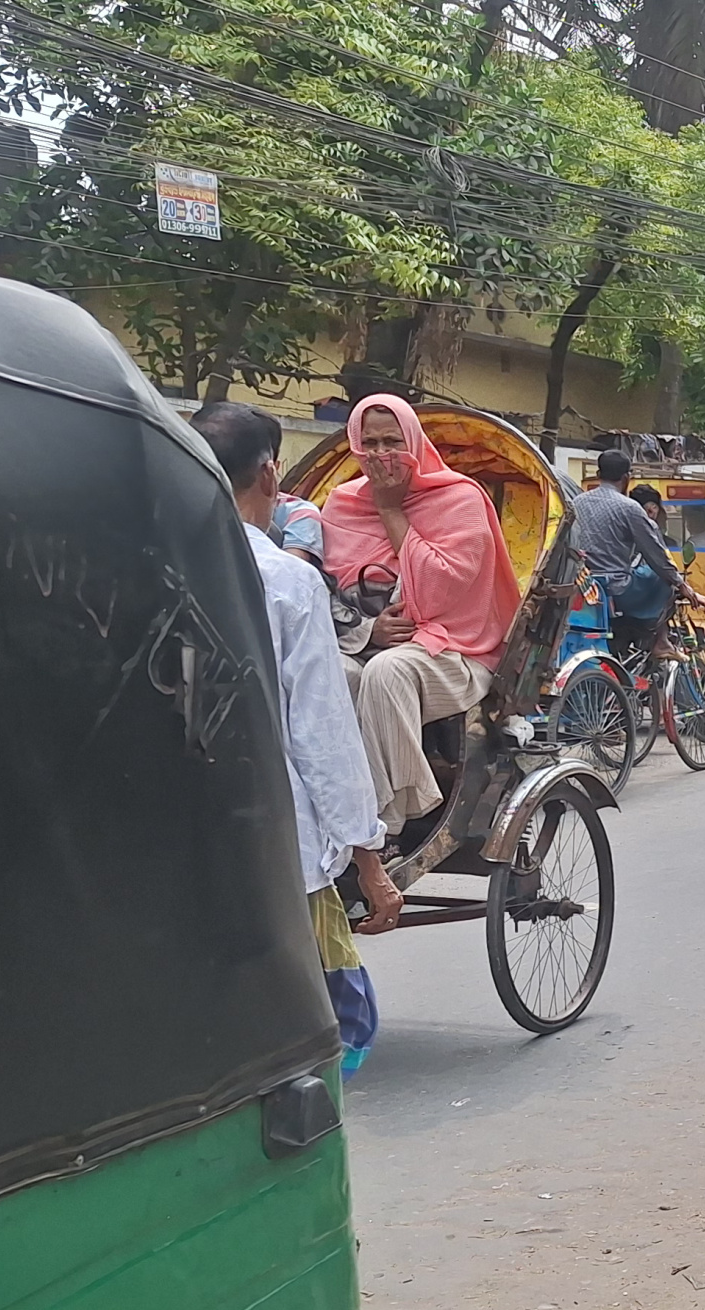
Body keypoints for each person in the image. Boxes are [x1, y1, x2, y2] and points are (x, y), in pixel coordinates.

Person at [189, 399, 400, 1073]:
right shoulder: (286, 579)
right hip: (278, 839)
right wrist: (369, 861)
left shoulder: (150, 564)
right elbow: (321, 729)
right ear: (270, 476)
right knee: (338, 1026)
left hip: (181, 841)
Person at [321, 394, 521, 826]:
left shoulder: (460, 499)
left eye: (392, 441)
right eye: (369, 443)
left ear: (413, 441)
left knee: (387, 672)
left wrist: (391, 508)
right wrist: (369, 629)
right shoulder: (341, 503)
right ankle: (327, 810)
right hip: (364, 643)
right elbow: (326, 589)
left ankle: (387, 821)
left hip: (455, 649)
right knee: (327, 674)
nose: (380, 455)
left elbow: (437, 595)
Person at [574, 449, 702, 664]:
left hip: (583, 585)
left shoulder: (576, 503)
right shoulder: (629, 508)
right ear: (626, 478)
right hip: (617, 589)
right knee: (662, 577)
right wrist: (682, 585)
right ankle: (660, 641)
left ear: (598, 473)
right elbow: (657, 556)